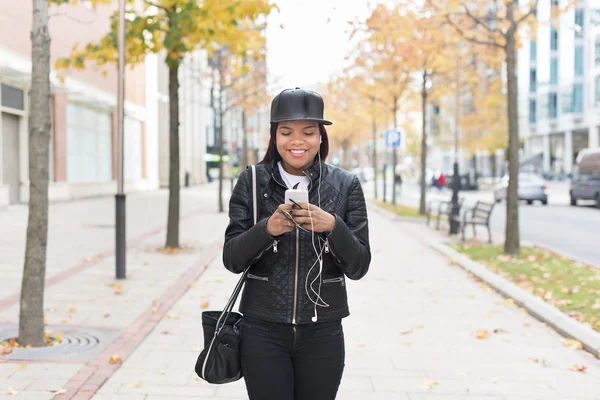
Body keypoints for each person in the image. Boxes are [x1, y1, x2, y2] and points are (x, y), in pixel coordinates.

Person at [222, 87, 371, 400]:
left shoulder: (346, 185)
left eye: (308, 132)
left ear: (320, 137)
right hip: (262, 329)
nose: (297, 141)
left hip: (323, 330)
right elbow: (232, 259)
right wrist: (268, 229)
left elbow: (359, 266)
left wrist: (333, 226)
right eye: (286, 132)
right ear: (275, 137)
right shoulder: (251, 181)